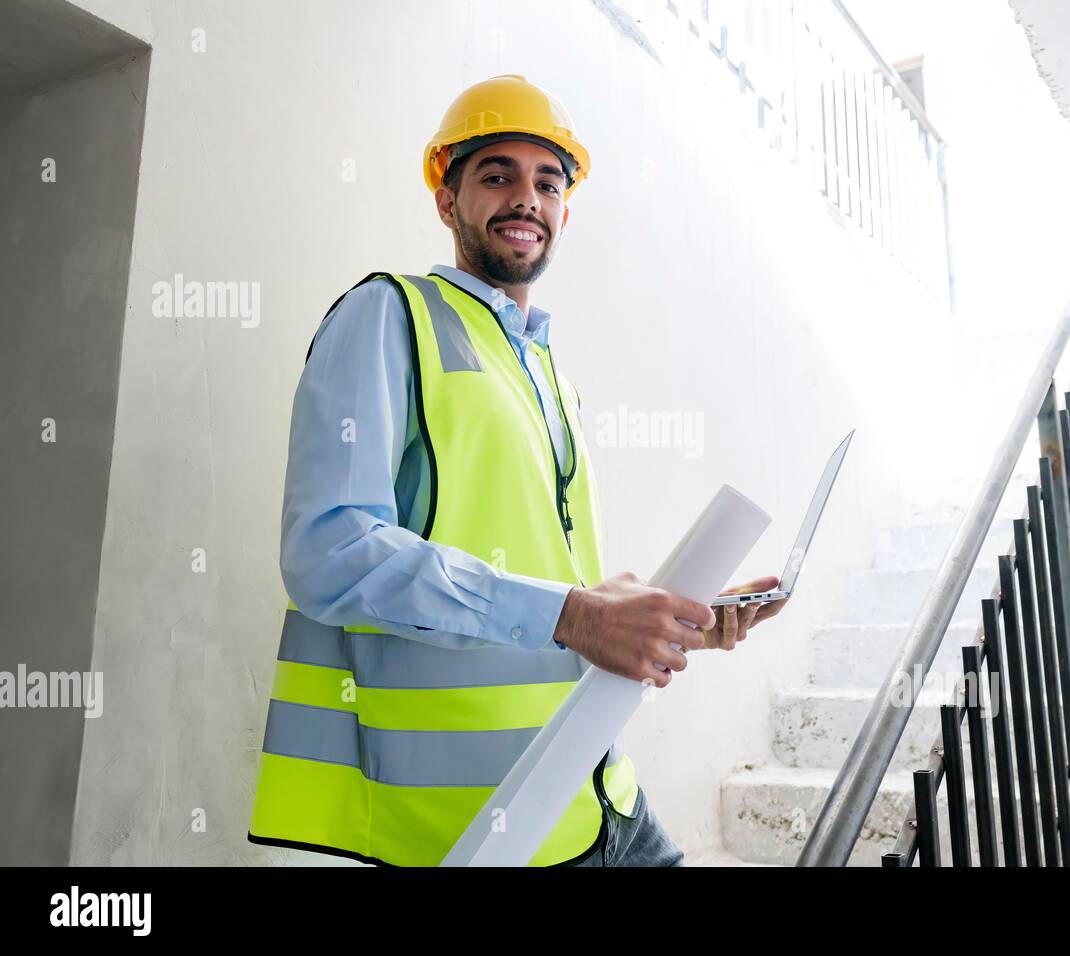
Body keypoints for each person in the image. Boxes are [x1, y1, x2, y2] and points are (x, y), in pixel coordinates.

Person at [247, 74, 786, 868]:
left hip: (597, 788)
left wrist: (673, 619)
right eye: (496, 174)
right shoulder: (389, 315)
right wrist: (575, 616)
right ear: (447, 200)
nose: (525, 198)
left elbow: (551, 580)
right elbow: (327, 553)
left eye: (548, 181)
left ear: (565, 210)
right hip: (480, 824)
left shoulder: (545, 370)